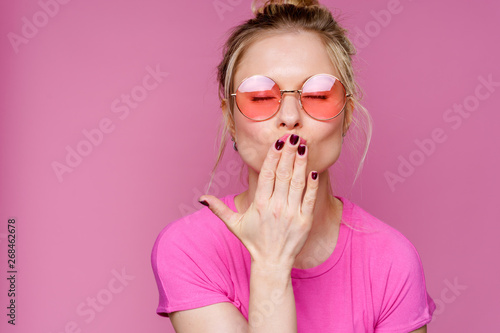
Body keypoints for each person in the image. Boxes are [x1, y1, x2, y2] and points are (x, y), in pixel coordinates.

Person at [151, 0, 436, 332]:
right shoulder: (189, 248)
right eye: (259, 97)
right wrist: (272, 264)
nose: (289, 117)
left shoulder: (393, 261)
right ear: (231, 119)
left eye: (317, 95)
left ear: (347, 116)